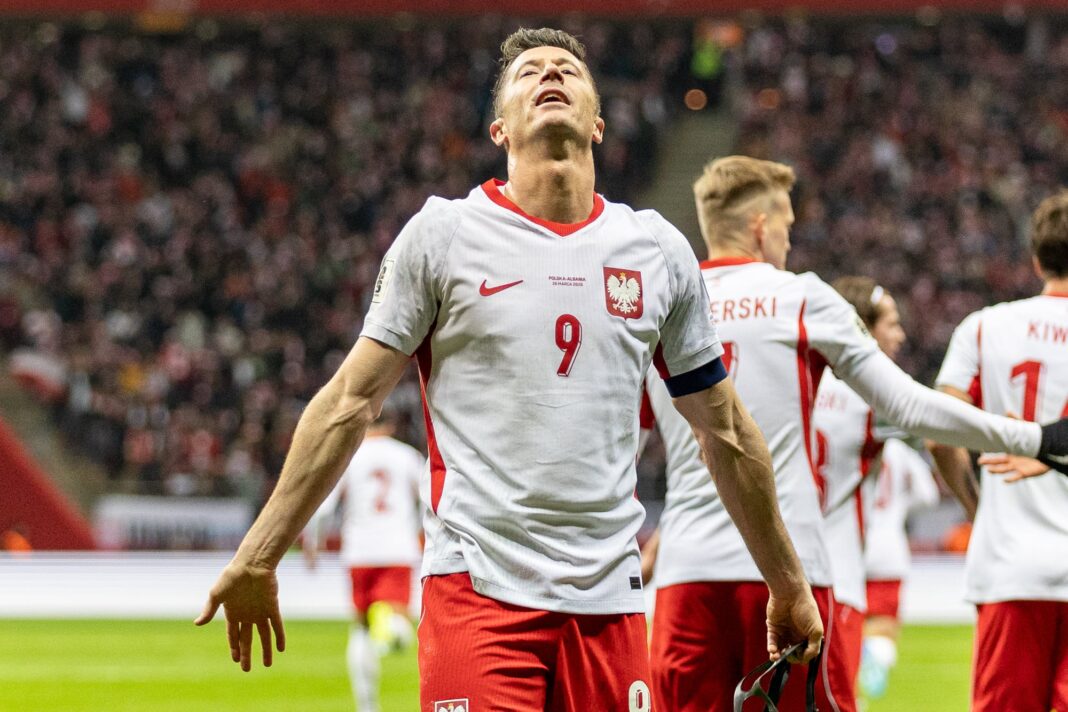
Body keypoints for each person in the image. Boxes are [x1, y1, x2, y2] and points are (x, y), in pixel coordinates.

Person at [196, 29, 824, 712]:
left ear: (599, 122)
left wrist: (787, 583)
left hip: (610, 606)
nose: (550, 74)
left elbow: (725, 429)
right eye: (528, 72)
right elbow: (350, 401)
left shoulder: (656, 251)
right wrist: (259, 553)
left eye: (567, 70)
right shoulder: (443, 236)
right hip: (479, 591)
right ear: (499, 127)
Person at [643, 156, 1068, 712]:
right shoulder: (801, 297)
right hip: (789, 574)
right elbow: (911, 406)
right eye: (789, 228)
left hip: (686, 572)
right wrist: (1035, 439)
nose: (789, 245)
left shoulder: (661, 306)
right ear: (761, 227)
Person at [930, 190, 1068, 712]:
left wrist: (976, 508)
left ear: (1036, 258)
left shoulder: (985, 326)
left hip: (1010, 564)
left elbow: (939, 433)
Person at [810, 276, 906, 704]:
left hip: (771, 577)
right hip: (837, 582)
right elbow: (936, 424)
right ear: (863, 329)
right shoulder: (872, 401)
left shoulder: (798, 386)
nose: (900, 336)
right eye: (892, 324)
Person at [302, 405, 423, 712]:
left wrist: (312, 545)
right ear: (392, 425)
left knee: (360, 629)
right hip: (399, 548)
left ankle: (367, 706)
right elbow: (430, 500)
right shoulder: (407, 455)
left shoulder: (349, 456)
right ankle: (392, 629)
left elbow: (325, 508)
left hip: (359, 551)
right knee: (400, 621)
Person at [859, 437, 939, 698]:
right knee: (883, 626)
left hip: (849, 546)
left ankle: (850, 683)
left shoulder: (852, 434)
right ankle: (872, 669)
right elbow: (929, 496)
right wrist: (899, 505)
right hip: (889, 548)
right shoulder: (900, 450)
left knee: (841, 627)